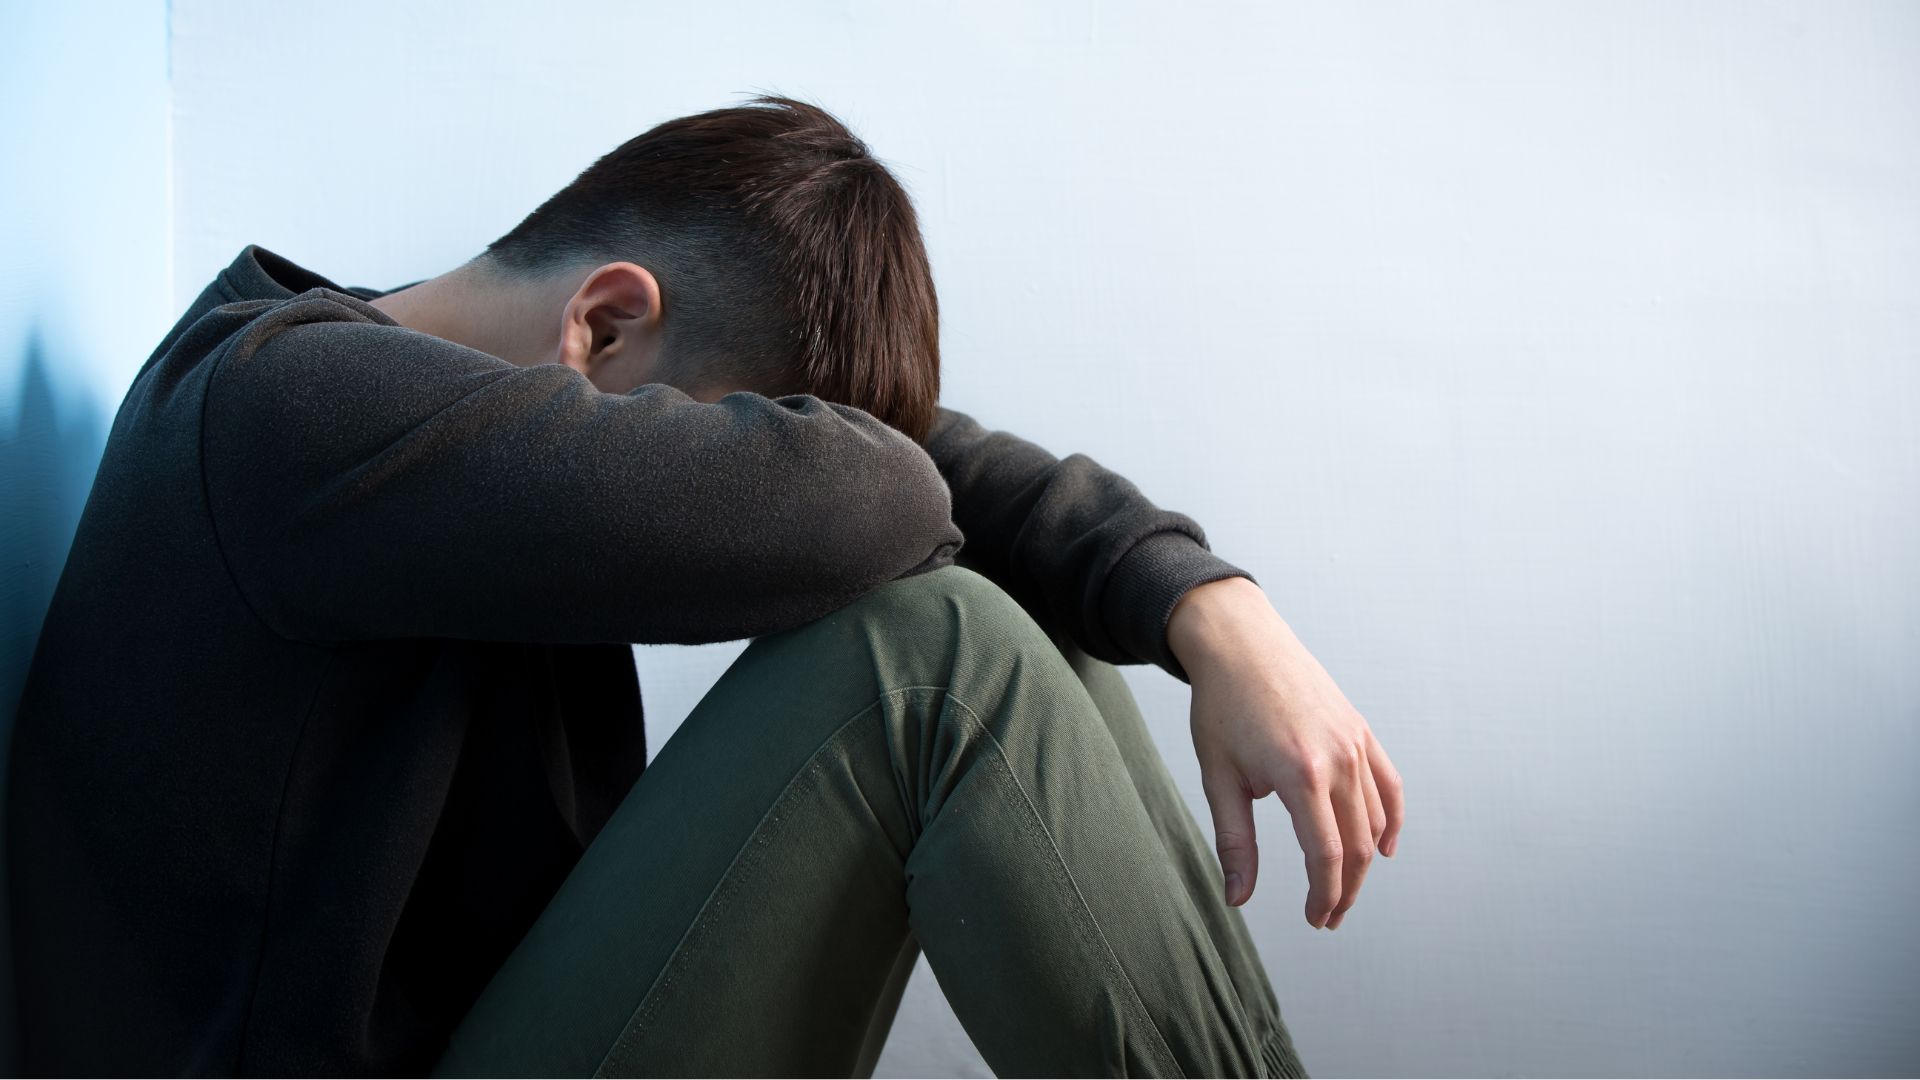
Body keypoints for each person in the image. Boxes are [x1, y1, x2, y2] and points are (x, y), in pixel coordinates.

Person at [6, 96, 1403, 1078]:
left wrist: (1208, 606)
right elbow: (894, 491)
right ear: (604, 324)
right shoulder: (284, 410)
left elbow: (906, 483)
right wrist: (881, 485)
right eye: (731, 438)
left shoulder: (405, 443)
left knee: (1013, 612)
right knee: (938, 648)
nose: (727, 474)